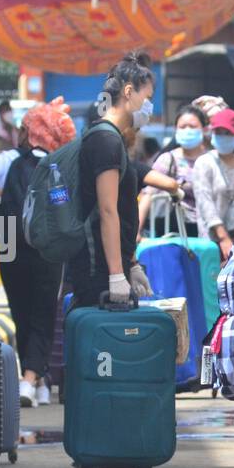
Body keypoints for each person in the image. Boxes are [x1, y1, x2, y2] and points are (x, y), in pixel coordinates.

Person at [0, 100, 76, 408]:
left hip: (10, 250)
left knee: (22, 314)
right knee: (43, 314)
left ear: (33, 133)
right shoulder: (62, 168)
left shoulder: (16, 164)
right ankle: (33, 378)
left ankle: (31, 378)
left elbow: (5, 211)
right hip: (48, 253)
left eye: (24, 129)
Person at [70, 53, 159, 309]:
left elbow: (121, 208)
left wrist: (130, 264)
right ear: (129, 92)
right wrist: (117, 274)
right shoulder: (105, 141)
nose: (149, 107)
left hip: (110, 264)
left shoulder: (113, 139)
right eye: (148, 98)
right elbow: (108, 211)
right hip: (97, 267)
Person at [193, 108, 234, 258]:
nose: (222, 137)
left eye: (227, 133)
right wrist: (223, 238)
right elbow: (205, 203)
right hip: (214, 242)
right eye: (218, 133)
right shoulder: (204, 163)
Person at [139, 103, 208, 237]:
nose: (187, 130)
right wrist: (137, 231)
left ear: (204, 129)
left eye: (192, 126)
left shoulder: (212, 159)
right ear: (176, 130)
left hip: (211, 231)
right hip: (177, 231)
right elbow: (148, 194)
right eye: (182, 127)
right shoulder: (168, 160)